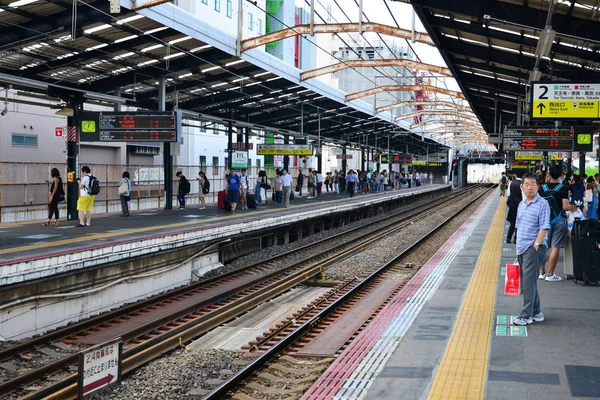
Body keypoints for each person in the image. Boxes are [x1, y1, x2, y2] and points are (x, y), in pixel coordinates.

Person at [513, 172, 549, 326]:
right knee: (529, 281)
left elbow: (544, 227)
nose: (529, 187)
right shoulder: (521, 204)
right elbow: (518, 227)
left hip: (534, 247)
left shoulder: (542, 204)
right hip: (522, 248)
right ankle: (537, 312)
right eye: (526, 184)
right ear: (522, 187)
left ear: (538, 186)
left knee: (528, 282)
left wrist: (536, 244)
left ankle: (526, 315)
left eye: (533, 184)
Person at [538, 165, 570, 282]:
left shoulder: (543, 188)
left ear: (549, 175)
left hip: (544, 221)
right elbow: (565, 207)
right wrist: (572, 208)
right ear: (561, 175)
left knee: (544, 246)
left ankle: (541, 272)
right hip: (558, 220)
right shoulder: (563, 188)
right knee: (555, 246)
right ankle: (550, 274)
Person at [506, 170, 522, 244]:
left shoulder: (511, 182)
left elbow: (508, 194)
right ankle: (516, 238)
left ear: (516, 175)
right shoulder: (523, 183)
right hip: (521, 205)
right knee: (519, 223)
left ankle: (508, 238)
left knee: (513, 222)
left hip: (513, 205)